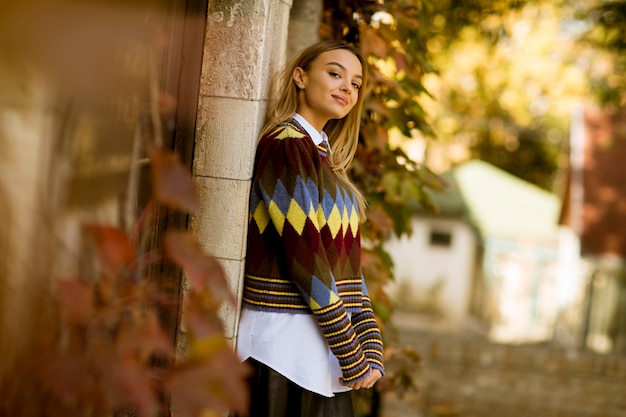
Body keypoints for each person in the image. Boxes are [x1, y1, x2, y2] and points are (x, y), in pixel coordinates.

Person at [234, 40, 384, 417]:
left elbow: (347, 267)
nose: (347, 87)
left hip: (323, 350)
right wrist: (351, 350)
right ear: (301, 77)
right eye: (335, 74)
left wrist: (370, 342)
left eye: (355, 82)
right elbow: (306, 257)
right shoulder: (287, 146)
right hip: (284, 349)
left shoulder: (323, 157)